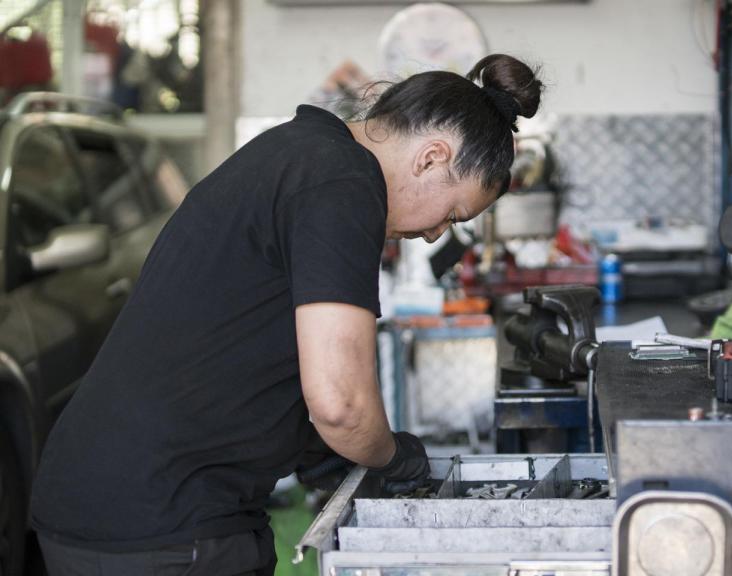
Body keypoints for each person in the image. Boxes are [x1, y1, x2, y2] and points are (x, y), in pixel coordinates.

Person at [30, 53, 543, 576]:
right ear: (432, 157)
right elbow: (340, 403)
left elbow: (249, 334)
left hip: (107, 498)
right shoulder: (344, 183)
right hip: (162, 522)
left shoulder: (299, 152)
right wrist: (393, 457)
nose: (436, 233)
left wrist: (320, 453)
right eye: (452, 214)